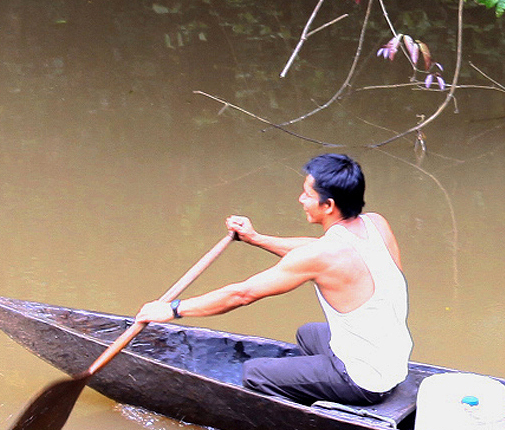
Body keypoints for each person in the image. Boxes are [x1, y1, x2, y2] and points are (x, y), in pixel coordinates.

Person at [140, 152, 411, 407]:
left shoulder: (322, 255)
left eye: (307, 194)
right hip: (394, 363)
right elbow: (318, 249)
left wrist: (173, 309)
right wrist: (255, 239)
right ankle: (314, 381)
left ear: (328, 205)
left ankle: (308, 416)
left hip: (365, 382)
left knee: (254, 372)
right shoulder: (376, 224)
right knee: (308, 333)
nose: (300, 199)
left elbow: (242, 295)